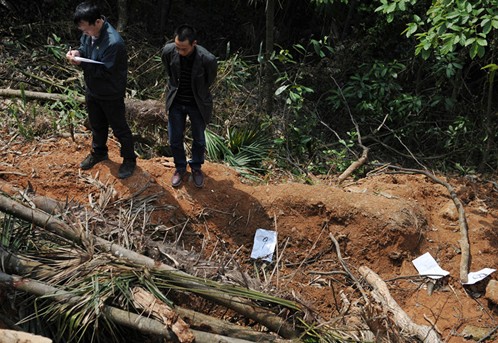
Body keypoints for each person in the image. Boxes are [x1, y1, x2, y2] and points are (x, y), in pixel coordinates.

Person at [66, 1, 136, 179]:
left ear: (98, 22)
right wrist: (77, 54)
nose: (85, 33)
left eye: (87, 29)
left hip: (110, 93)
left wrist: (81, 64)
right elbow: (84, 47)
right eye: (82, 30)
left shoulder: (113, 43)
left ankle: (129, 159)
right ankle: (99, 152)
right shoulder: (89, 34)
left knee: (120, 128)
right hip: (93, 90)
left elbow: (104, 71)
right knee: (97, 124)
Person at [162, 24, 217, 188]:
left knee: (199, 140)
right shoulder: (168, 51)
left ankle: (196, 167)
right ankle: (180, 167)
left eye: (184, 49)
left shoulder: (207, 59)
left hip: (197, 104)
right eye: (177, 47)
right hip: (176, 102)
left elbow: (209, 81)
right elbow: (170, 73)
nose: (179, 51)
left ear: (194, 44)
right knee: (174, 139)